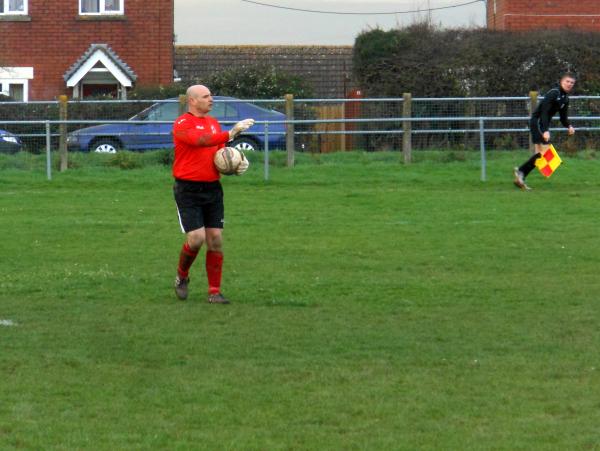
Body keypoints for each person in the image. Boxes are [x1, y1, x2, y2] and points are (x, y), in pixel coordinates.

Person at [172, 84, 254, 303]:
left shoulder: (212, 123)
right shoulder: (182, 123)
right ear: (192, 100)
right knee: (196, 239)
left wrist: (235, 165)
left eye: (211, 96)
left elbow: (218, 153)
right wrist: (231, 132)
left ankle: (214, 292)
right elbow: (199, 142)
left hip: (212, 188)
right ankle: (182, 276)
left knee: (215, 239)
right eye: (206, 96)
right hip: (188, 189)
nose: (211, 99)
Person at [513, 73, 576, 190]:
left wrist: (569, 126)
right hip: (537, 122)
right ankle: (521, 172)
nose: (569, 84)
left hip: (542, 124)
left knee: (540, 155)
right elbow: (544, 112)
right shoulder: (554, 93)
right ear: (562, 81)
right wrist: (546, 130)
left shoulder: (565, 98)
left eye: (572, 83)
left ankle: (520, 176)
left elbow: (563, 118)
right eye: (567, 81)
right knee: (545, 153)